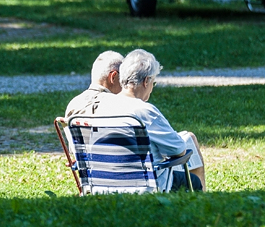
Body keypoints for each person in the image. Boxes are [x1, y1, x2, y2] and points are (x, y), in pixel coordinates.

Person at [95, 49, 206, 192]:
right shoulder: (144, 111)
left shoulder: (102, 106)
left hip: (104, 184)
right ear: (146, 81)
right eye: (154, 82)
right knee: (193, 180)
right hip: (143, 186)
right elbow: (178, 150)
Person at [65, 50, 123, 118]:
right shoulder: (118, 107)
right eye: (124, 78)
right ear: (113, 77)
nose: (125, 84)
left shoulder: (74, 104)